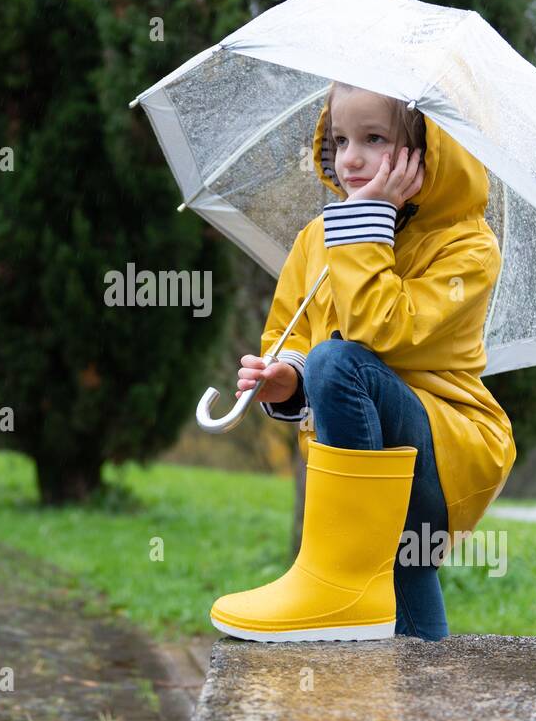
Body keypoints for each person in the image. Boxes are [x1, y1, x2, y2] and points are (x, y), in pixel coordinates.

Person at [209, 80, 517, 643]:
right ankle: (414, 690)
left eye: (374, 139)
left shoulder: (467, 247)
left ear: (429, 150)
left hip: (445, 457)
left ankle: (340, 579)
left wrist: (367, 224)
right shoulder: (318, 239)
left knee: (339, 362)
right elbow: (292, 334)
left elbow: (384, 330)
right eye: (340, 139)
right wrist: (287, 380)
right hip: (355, 463)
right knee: (401, 567)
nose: (350, 159)